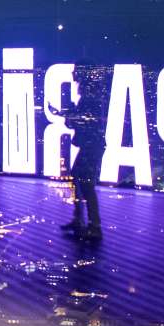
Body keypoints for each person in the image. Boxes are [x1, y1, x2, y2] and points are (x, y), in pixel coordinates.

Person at [61, 69, 104, 240]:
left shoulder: (89, 98)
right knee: (79, 180)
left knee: (85, 184)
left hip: (91, 147)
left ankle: (94, 226)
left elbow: (80, 123)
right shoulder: (90, 96)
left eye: (76, 71)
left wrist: (70, 114)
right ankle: (82, 221)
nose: (72, 74)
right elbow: (76, 123)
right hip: (90, 146)